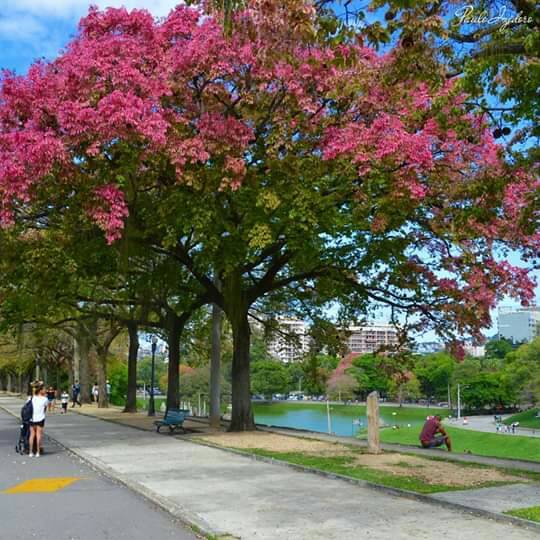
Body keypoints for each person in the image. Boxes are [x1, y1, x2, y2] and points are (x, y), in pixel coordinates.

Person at [28, 383, 48, 457]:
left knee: (32, 435)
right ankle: (38, 452)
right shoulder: (45, 399)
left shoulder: (31, 398)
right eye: (44, 389)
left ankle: (30, 452)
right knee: (39, 434)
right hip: (40, 418)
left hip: (32, 418)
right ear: (40, 390)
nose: (45, 390)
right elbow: (45, 409)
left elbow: (27, 406)